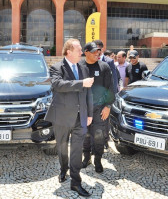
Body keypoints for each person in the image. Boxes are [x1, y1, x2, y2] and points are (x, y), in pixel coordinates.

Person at [45, 39, 94, 197]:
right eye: (79, 49)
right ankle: (63, 168)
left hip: (81, 117)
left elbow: (89, 93)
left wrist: (90, 114)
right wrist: (81, 83)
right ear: (69, 52)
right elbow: (58, 85)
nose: (82, 52)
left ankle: (76, 181)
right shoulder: (56, 67)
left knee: (76, 149)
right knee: (62, 147)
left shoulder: (83, 68)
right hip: (62, 117)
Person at [79, 42, 115, 173]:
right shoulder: (79, 66)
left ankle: (98, 160)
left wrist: (108, 106)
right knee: (85, 134)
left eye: (98, 51)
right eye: (94, 51)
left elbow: (110, 88)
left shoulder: (104, 67)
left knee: (99, 135)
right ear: (86, 52)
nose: (97, 53)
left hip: (99, 108)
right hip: (83, 108)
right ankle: (86, 157)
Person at [93, 40, 119, 149]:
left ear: (102, 48)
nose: (96, 50)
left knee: (105, 119)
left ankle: (105, 140)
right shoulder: (92, 59)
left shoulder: (109, 61)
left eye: (98, 48)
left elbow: (114, 80)